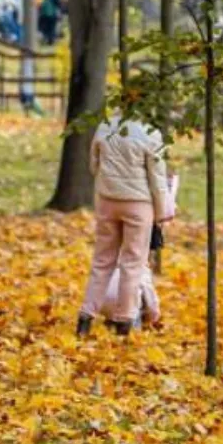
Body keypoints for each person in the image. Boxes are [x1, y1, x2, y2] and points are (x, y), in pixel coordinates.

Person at [78, 116, 174, 337]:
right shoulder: (151, 133)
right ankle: (124, 322)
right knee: (133, 265)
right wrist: (160, 215)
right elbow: (157, 180)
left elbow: (94, 164)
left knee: (102, 261)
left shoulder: (105, 126)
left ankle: (85, 317)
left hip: (107, 201)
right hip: (139, 205)